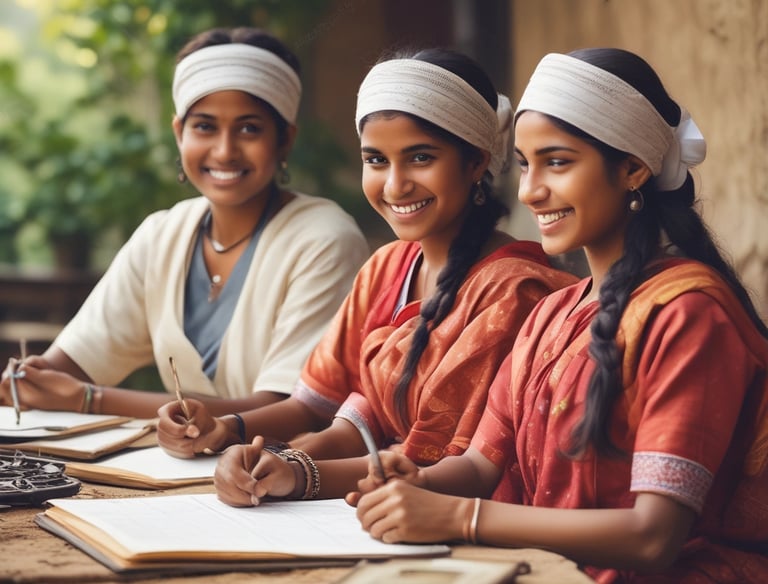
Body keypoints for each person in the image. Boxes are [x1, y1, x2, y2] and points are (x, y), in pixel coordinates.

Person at [350, 48, 768, 583]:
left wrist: (461, 516)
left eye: (558, 162)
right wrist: (417, 484)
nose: (530, 191)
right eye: (525, 164)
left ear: (633, 169)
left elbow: (654, 535)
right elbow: (480, 465)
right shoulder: (553, 312)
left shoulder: (689, 315)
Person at [159, 48, 576, 499]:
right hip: (377, 503)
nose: (395, 185)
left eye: (420, 158)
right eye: (376, 160)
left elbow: (444, 467)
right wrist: (232, 434)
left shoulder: (514, 291)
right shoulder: (387, 267)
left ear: (475, 161)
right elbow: (331, 411)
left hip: (463, 520)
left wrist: (299, 472)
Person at [0, 27, 368, 419]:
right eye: (205, 126)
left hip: (283, 474)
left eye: (249, 128)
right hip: (169, 470)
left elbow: (288, 411)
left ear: (284, 140)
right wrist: (30, 380)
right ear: (180, 133)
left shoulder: (324, 239)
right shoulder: (162, 235)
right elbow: (69, 364)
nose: (224, 151)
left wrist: (89, 399)